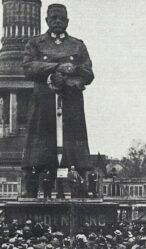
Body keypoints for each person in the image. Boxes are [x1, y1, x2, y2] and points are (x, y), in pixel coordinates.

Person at [22, 3, 94, 194]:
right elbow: (28, 67)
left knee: (74, 143)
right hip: (44, 101)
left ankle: (79, 185)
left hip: (71, 102)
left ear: (67, 21)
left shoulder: (78, 45)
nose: (57, 22)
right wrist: (55, 69)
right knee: (41, 143)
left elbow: (88, 72)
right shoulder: (35, 43)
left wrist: (72, 73)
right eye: (53, 18)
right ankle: (35, 187)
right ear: (46, 20)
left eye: (61, 18)